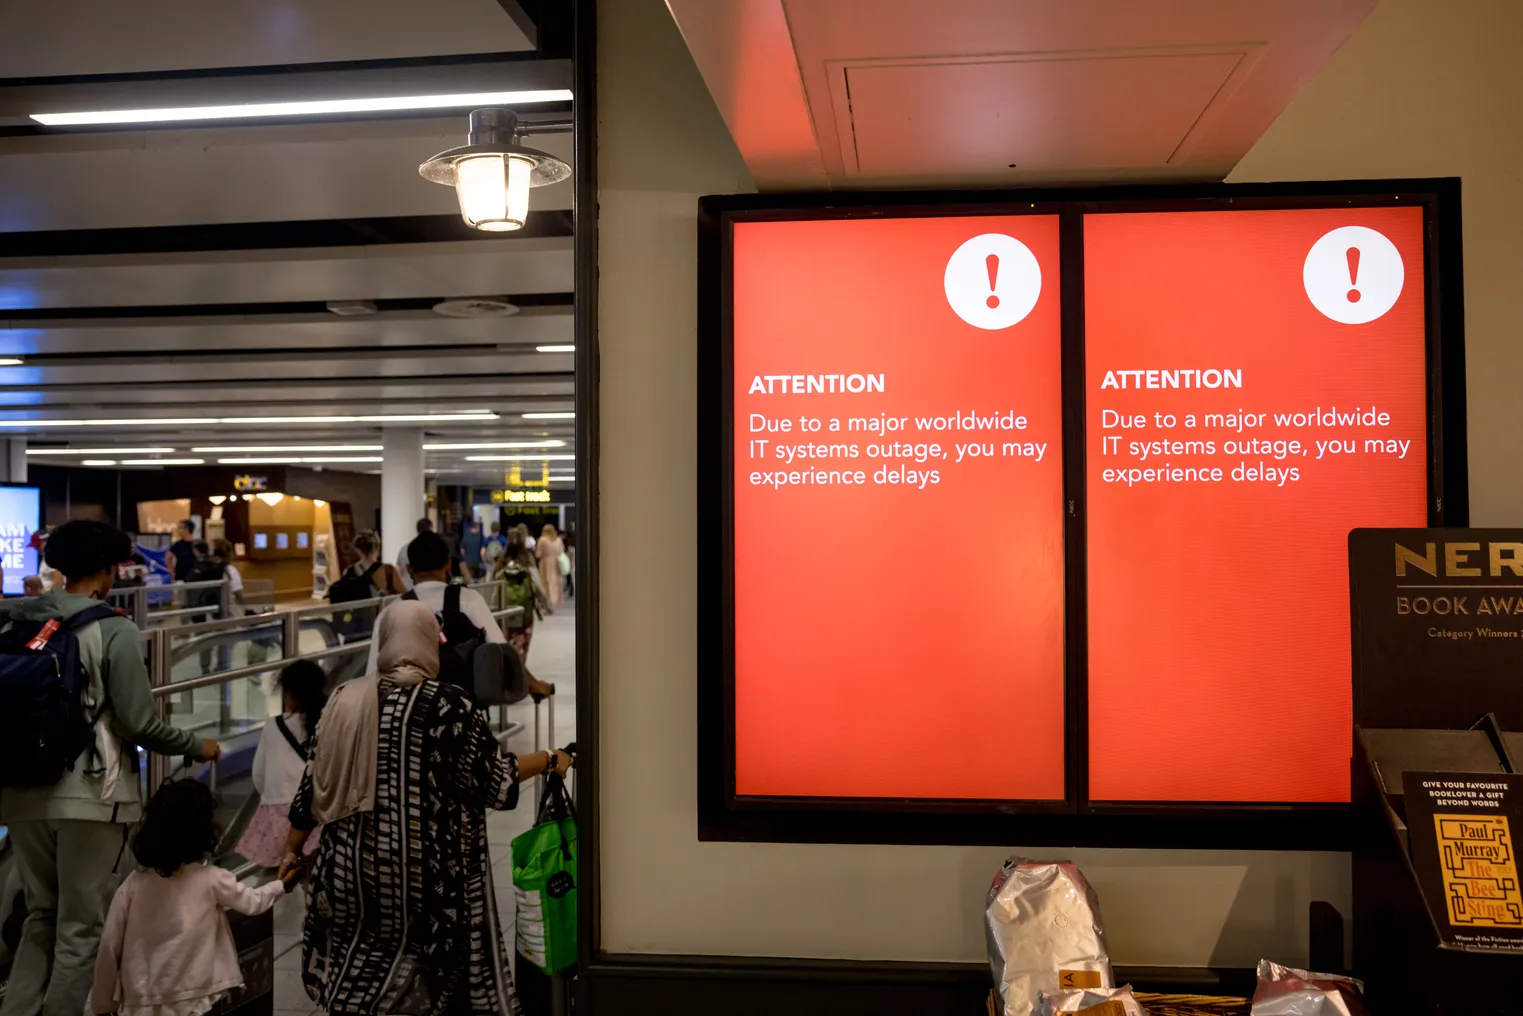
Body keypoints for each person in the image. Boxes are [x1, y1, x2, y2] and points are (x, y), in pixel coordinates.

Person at [278, 601, 573, 1016]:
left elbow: (311, 790)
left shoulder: (343, 700)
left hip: (348, 879)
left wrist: (290, 852)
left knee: (359, 981)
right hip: (425, 885)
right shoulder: (449, 704)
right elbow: (496, 783)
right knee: (424, 992)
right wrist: (546, 757)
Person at [0, 520, 220, 1016]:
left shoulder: (18, 624)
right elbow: (140, 724)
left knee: (40, 917)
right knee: (80, 928)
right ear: (104, 571)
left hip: (19, 790)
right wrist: (196, 744)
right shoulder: (113, 628)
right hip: (92, 796)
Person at [90, 779, 293, 1016]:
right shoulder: (212, 879)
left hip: (142, 997)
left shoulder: (133, 885)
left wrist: (103, 1004)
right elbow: (254, 902)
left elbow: (109, 945)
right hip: (195, 995)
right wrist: (281, 885)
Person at [365, 532, 551, 699]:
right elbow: (501, 650)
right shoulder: (467, 600)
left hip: (406, 715)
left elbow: (372, 675)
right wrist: (534, 685)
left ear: (409, 569)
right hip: (461, 712)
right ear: (448, 564)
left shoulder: (390, 612)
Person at [237, 660, 327, 868]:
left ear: (288, 694)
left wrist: (271, 795)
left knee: (278, 873)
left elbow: (259, 775)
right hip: (316, 811)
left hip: (278, 812)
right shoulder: (328, 721)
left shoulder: (273, 726)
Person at [496, 530, 550, 663]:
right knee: (521, 650)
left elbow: (491, 584)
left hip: (504, 614)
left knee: (505, 647)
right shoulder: (527, 561)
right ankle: (520, 670)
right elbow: (537, 585)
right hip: (524, 615)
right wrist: (546, 605)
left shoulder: (501, 562)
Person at [345, 530, 406, 596]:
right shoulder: (388, 570)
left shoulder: (349, 572)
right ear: (377, 547)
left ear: (358, 549)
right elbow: (406, 595)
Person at [396, 518, 433, 592]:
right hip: (425, 592)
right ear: (430, 530)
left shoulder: (404, 548)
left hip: (407, 592)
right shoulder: (432, 550)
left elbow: (399, 570)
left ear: (417, 529)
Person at [536, 524, 565, 609]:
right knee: (555, 581)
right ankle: (554, 599)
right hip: (556, 562)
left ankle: (547, 601)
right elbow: (561, 551)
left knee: (546, 581)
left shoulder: (542, 540)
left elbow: (538, 554)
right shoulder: (559, 540)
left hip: (545, 563)